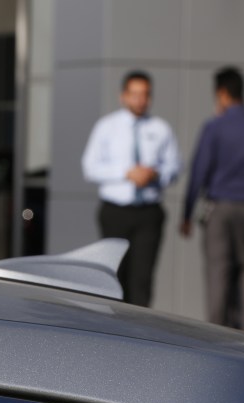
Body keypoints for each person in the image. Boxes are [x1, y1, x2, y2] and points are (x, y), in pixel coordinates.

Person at [181, 67, 244, 334]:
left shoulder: (214, 127)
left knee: (218, 271)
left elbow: (199, 172)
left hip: (219, 209)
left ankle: (217, 334)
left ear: (222, 93)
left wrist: (186, 213)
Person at [82, 71, 180, 306]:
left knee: (142, 279)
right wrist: (126, 172)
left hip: (148, 212)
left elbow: (175, 166)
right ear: (123, 96)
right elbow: (90, 167)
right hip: (116, 211)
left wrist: (154, 174)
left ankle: (139, 326)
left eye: (145, 94)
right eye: (135, 94)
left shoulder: (160, 128)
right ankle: (113, 324)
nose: (140, 100)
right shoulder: (107, 126)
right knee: (114, 276)